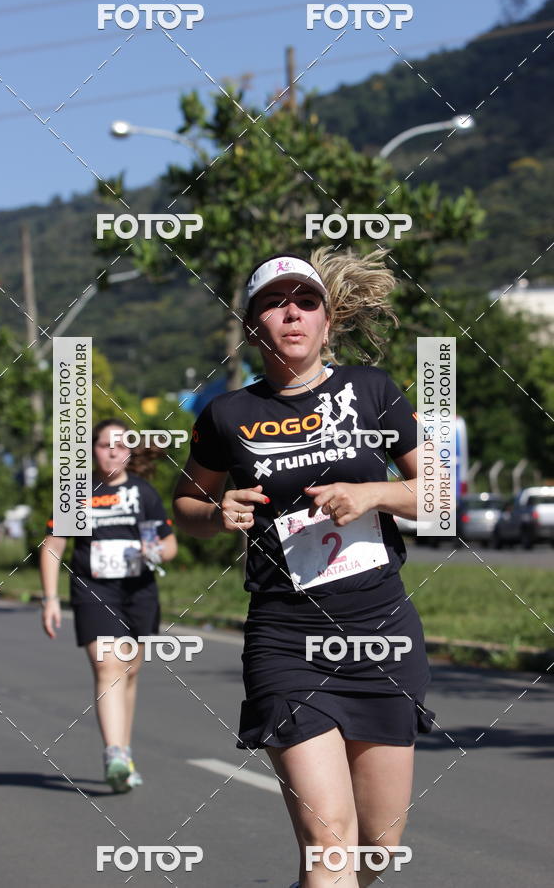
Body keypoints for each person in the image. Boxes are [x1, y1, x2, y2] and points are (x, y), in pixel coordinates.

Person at [173, 249, 434, 887]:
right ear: (253, 323)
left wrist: (372, 494)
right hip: (286, 638)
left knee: (376, 848)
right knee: (328, 840)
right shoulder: (226, 415)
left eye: (305, 302)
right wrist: (217, 511)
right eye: (274, 303)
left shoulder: (373, 391)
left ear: (326, 319)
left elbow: (439, 495)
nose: (291, 313)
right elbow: (186, 504)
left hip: (381, 633)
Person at [40, 418, 177, 792]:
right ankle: (113, 753)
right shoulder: (77, 493)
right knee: (107, 663)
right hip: (93, 589)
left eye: (120, 444)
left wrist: (155, 551)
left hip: (139, 592)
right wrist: (50, 599)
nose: (113, 451)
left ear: (131, 451)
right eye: (104, 445)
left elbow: (169, 544)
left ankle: (125, 752)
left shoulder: (144, 493)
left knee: (129, 671)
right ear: (92, 450)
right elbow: (53, 549)